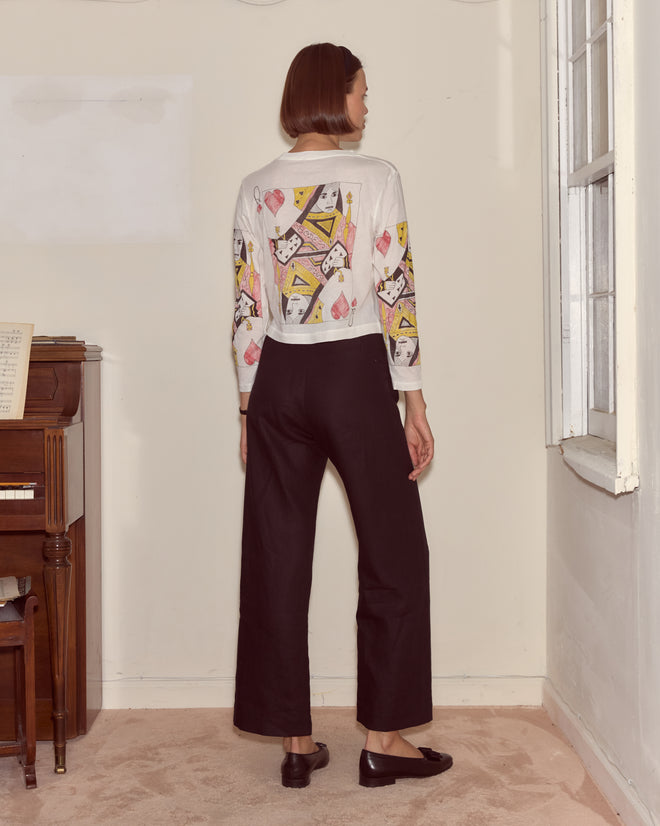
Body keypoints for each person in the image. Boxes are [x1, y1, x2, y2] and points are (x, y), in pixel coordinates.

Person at [231, 42, 453, 789]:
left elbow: (247, 310)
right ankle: (382, 738)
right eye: (363, 91)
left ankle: (296, 744)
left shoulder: (256, 188)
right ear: (333, 94)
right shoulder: (375, 178)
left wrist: (246, 409)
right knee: (393, 554)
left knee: (277, 556)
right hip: (356, 373)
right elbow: (397, 293)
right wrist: (413, 401)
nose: (368, 103)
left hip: (281, 377)